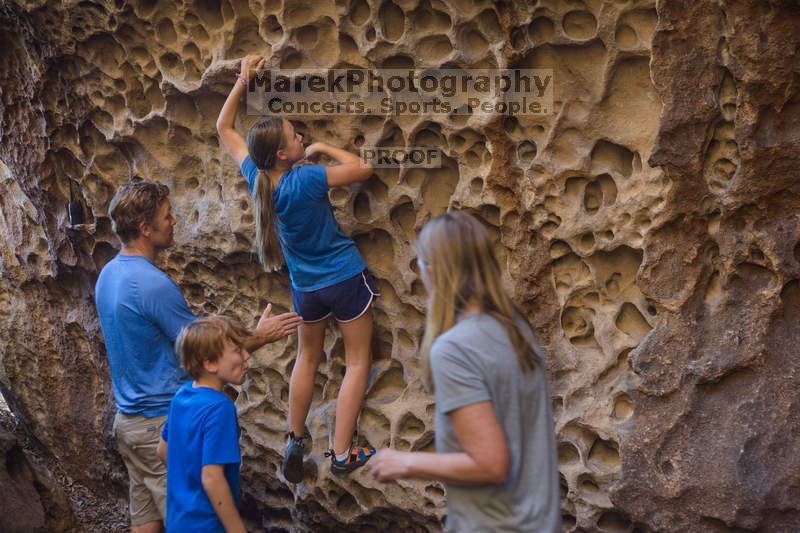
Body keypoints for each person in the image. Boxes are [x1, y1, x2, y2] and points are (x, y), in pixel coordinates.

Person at [95, 179, 302, 532]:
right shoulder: (151, 284)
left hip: (128, 422)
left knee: (145, 517)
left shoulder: (108, 274)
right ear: (145, 229)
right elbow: (203, 352)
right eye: (166, 216)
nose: (173, 221)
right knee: (185, 519)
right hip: (158, 421)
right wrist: (260, 336)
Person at [216, 54, 379, 482]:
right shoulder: (305, 177)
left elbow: (224, 129)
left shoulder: (257, 177)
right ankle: (342, 452)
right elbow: (364, 168)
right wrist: (324, 149)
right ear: (285, 155)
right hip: (344, 278)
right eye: (294, 136)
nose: (300, 135)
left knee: (307, 356)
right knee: (357, 362)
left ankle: (294, 436)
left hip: (305, 287)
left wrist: (243, 82)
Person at [369, 211, 561, 532]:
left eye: (421, 262)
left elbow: (491, 464)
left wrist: (405, 462)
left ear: (433, 270)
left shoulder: (454, 350)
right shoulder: (515, 328)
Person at [156, 316, 252, 532]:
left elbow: (163, 451)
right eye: (238, 351)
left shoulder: (182, 396)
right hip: (207, 524)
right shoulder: (220, 408)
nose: (246, 355)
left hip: (179, 521)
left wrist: (188, 489)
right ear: (209, 363)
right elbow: (211, 478)